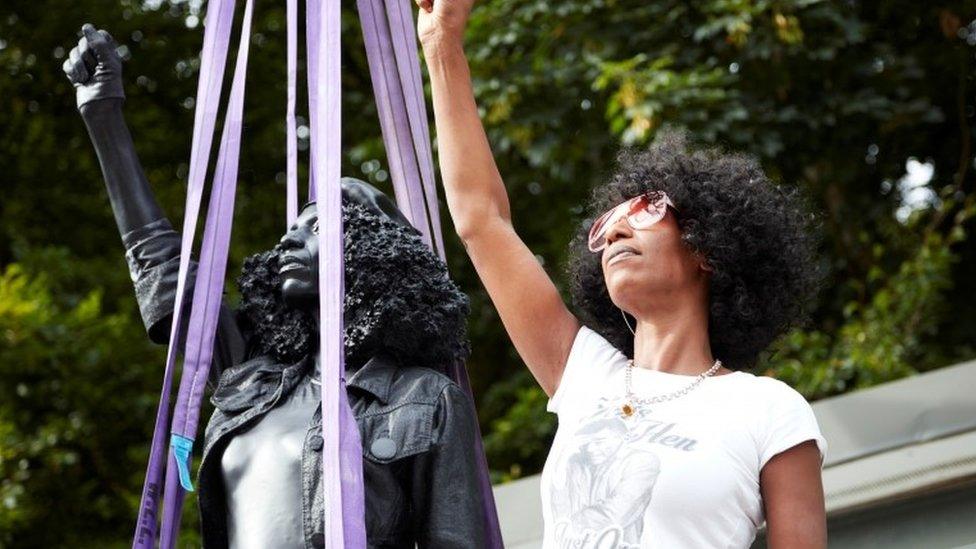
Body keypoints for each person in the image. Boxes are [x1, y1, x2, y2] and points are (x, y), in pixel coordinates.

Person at [414, 1, 828, 547]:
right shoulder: (583, 373)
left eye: (645, 211)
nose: (612, 231)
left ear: (706, 245)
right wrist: (442, 44)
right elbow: (480, 220)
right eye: (606, 224)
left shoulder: (770, 410)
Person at [64, 24, 488, 548]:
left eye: (317, 227)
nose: (288, 239)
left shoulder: (425, 400)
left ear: (373, 255)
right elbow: (167, 271)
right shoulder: (250, 380)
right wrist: (103, 114)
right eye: (293, 227)